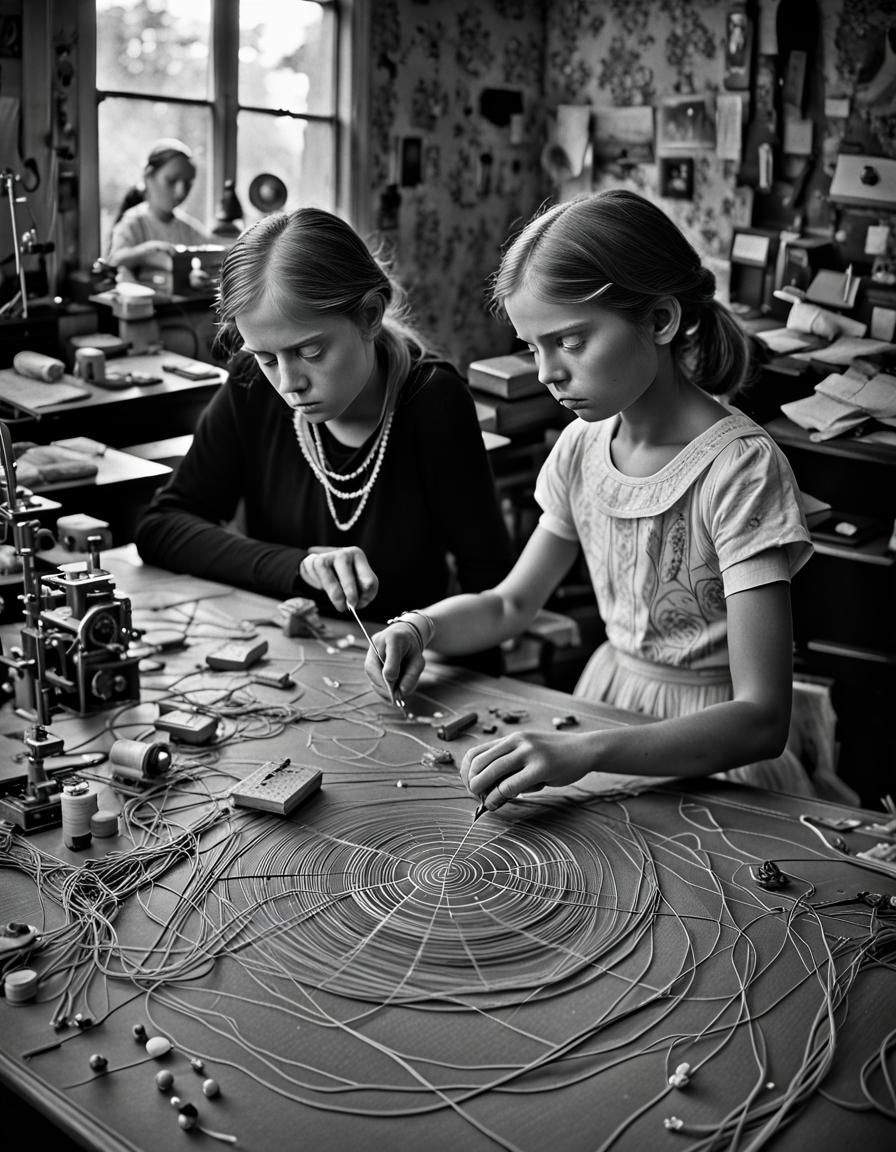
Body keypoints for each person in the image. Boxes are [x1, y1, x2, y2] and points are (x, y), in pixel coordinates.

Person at [366, 189, 816, 806]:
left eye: (570, 342)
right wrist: (419, 628)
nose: (547, 371)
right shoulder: (581, 448)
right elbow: (508, 606)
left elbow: (762, 719)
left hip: (713, 749)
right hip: (607, 702)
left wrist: (588, 751)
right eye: (533, 346)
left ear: (659, 321)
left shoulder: (740, 469)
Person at [134, 206, 513, 629]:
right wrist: (298, 568)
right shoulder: (252, 385)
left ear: (369, 316)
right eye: (266, 358)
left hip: (400, 666)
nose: (289, 383)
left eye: (310, 352)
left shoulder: (432, 402)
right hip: (285, 653)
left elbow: (492, 587)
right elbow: (162, 528)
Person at [106, 138, 214, 294]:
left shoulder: (190, 230)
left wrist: (199, 277)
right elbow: (114, 260)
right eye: (171, 181)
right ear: (148, 177)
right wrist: (145, 252)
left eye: (188, 184)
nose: (181, 192)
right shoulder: (133, 223)